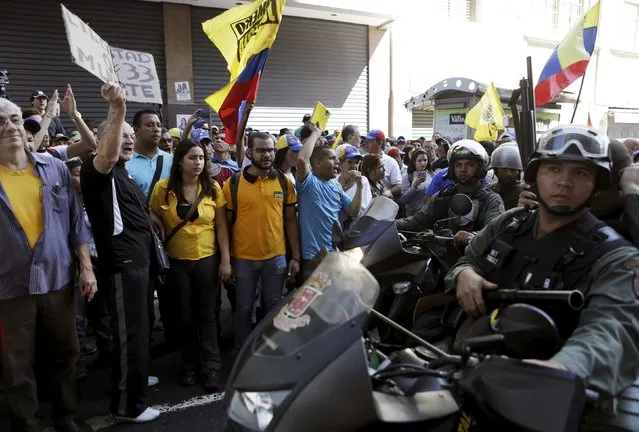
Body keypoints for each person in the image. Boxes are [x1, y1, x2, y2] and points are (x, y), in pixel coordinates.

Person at [446, 125, 639, 397]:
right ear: (536, 176)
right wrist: (464, 274)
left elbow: (612, 331)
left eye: (580, 173)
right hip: (468, 369)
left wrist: (561, 368)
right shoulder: (509, 223)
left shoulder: (616, 257)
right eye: (554, 169)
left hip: (544, 392)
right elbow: (467, 261)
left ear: (597, 183)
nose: (564, 182)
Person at [0, 97, 96, 432]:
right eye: (2, 122)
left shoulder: (51, 167)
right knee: (15, 365)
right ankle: (26, 423)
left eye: (14, 119)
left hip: (58, 279)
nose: (11, 127)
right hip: (10, 288)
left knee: (66, 352)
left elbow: (75, 222)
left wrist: (85, 267)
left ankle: (67, 416)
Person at [80, 83, 160, 423]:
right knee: (129, 336)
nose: (128, 139)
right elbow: (107, 154)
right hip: (123, 267)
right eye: (122, 133)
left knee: (141, 331)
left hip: (141, 264)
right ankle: (127, 405)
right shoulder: (97, 169)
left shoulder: (121, 172)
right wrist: (118, 109)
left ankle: (138, 378)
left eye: (131, 134)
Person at [150, 140, 231, 391]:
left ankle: (211, 368)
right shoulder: (163, 189)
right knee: (183, 317)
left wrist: (225, 261)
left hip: (208, 259)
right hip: (177, 263)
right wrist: (157, 222)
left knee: (208, 315)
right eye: (192, 158)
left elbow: (221, 227)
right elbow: (151, 213)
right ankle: (189, 365)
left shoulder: (213, 187)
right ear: (180, 161)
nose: (198, 163)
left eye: (201, 158)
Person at [222, 132, 300, 352]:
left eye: (271, 150)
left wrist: (295, 256)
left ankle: (267, 351)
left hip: (275, 259)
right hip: (243, 260)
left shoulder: (284, 182)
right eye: (261, 150)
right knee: (244, 308)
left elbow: (290, 221)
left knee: (272, 307)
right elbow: (224, 226)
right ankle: (243, 353)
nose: (267, 155)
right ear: (250, 152)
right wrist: (227, 260)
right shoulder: (233, 184)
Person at [396, 140, 504, 246]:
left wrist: (473, 236)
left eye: (470, 164)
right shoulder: (444, 196)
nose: (463, 169)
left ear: (480, 168)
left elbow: (494, 231)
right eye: (458, 165)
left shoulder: (491, 200)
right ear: (452, 168)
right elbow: (417, 220)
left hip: (475, 258)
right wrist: (389, 224)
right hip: (442, 257)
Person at [297, 123, 362, 278]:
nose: (337, 162)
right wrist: (316, 134)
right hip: (313, 257)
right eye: (332, 158)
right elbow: (301, 160)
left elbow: (353, 211)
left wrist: (360, 187)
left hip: (333, 255)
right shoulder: (309, 183)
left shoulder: (336, 187)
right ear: (318, 163)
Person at [335, 144, 370, 216]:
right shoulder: (333, 180)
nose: (354, 166)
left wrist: (359, 186)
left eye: (357, 162)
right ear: (340, 163)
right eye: (350, 162)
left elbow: (360, 212)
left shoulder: (363, 181)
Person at [488, 142, 524, 210]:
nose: (509, 173)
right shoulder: (488, 191)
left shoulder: (524, 193)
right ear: (496, 170)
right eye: (504, 169)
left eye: (513, 169)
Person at [399, 148, 433, 217]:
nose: (423, 163)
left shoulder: (432, 175)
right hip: (413, 216)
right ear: (414, 161)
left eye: (425, 160)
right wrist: (414, 186)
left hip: (428, 214)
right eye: (419, 161)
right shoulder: (408, 176)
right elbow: (404, 199)